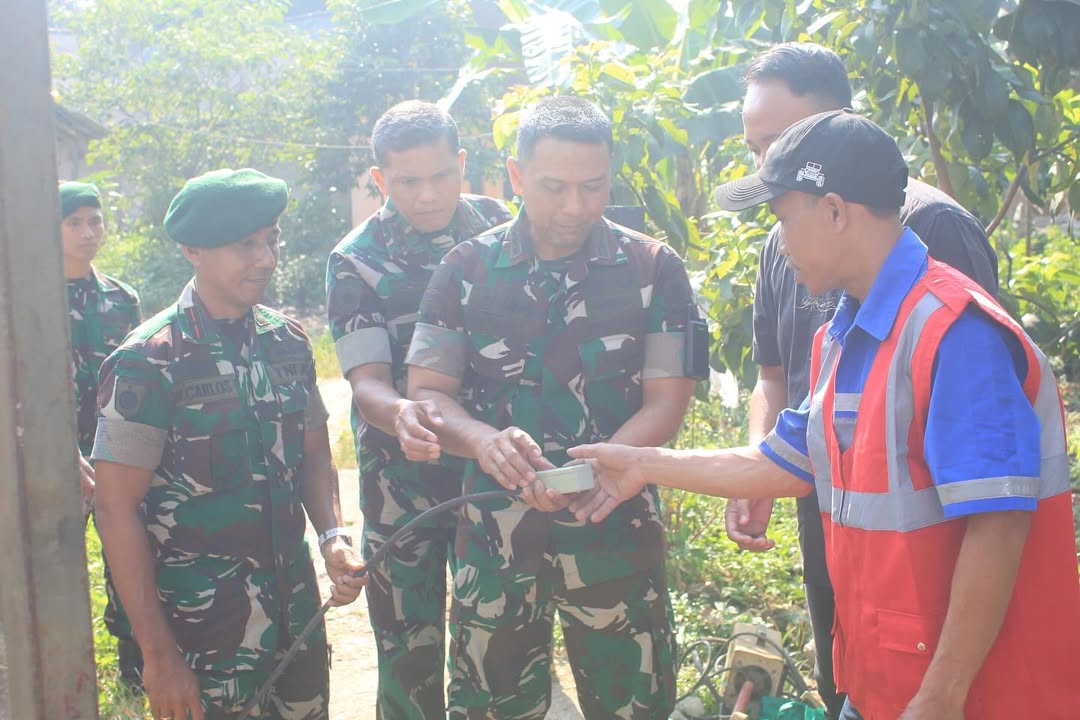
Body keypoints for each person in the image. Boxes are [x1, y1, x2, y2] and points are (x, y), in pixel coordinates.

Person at [569, 111, 1080, 720]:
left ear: (835, 211)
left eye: (784, 218)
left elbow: (998, 523)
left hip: (970, 698)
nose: (779, 242)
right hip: (883, 684)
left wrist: (941, 694)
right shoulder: (845, 335)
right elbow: (782, 462)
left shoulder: (955, 333)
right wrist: (641, 464)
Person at [726, 42, 999, 720]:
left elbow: (985, 466)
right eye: (755, 148)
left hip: (921, 548)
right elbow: (775, 376)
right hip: (834, 521)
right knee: (847, 678)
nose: (765, 168)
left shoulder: (931, 229)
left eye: (780, 144)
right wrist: (758, 463)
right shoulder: (784, 241)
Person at [406, 96, 697, 719]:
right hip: (496, 539)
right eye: (555, 187)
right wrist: (484, 442)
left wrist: (606, 465)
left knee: (634, 707)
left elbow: (667, 399)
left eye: (593, 186)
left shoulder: (652, 268)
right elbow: (428, 390)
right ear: (516, 175)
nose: (575, 207)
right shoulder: (465, 268)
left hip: (616, 530)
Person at [92, 169, 365, 720]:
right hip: (201, 639)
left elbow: (313, 453)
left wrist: (332, 536)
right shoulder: (148, 362)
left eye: (272, 240)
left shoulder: (287, 342)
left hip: (294, 621)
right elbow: (115, 509)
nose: (266, 259)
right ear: (193, 249)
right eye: (245, 245)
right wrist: (158, 656)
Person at [325, 100, 511, 719]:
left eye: (440, 176)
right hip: (401, 480)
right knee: (409, 649)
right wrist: (402, 412)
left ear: (463, 163)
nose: (427, 194)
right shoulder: (356, 258)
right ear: (380, 179)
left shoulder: (501, 226)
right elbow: (367, 381)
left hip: (491, 470)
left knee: (495, 646)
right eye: (408, 181)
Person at [59, 180, 144, 686]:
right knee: (55, 563)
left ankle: (135, 668)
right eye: (74, 223)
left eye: (95, 221)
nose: (88, 232)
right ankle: (63, 676)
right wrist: (60, 453)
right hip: (52, 458)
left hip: (115, 452)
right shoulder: (25, 299)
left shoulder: (121, 299)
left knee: (128, 555)